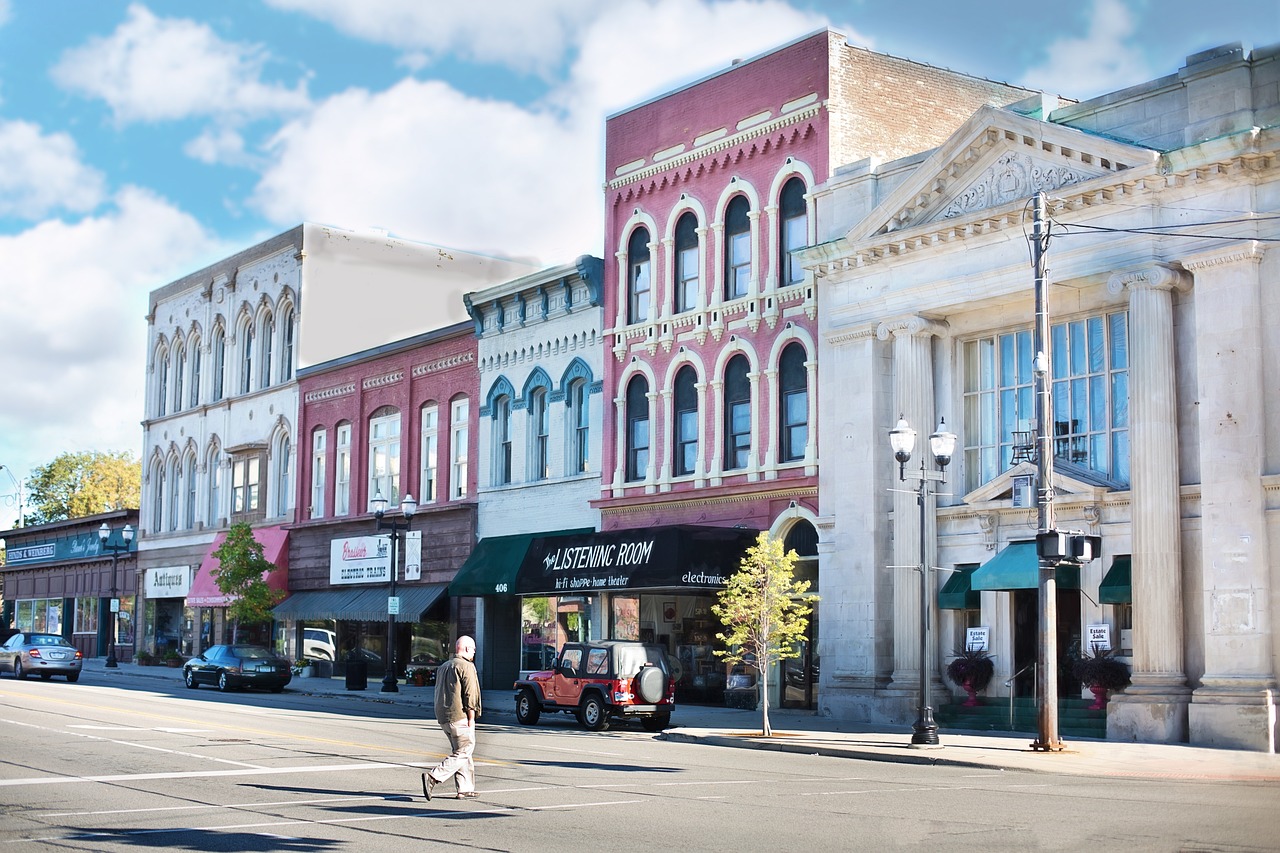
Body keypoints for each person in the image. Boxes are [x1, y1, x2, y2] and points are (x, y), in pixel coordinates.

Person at [422, 635, 482, 800]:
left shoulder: (444, 666)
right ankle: (433, 777)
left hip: (444, 717)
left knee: (461, 750)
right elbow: (471, 695)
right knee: (465, 749)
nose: (475, 652)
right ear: (467, 649)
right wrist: (472, 719)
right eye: (474, 649)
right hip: (460, 716)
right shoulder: (466, 666)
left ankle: (465, 788)